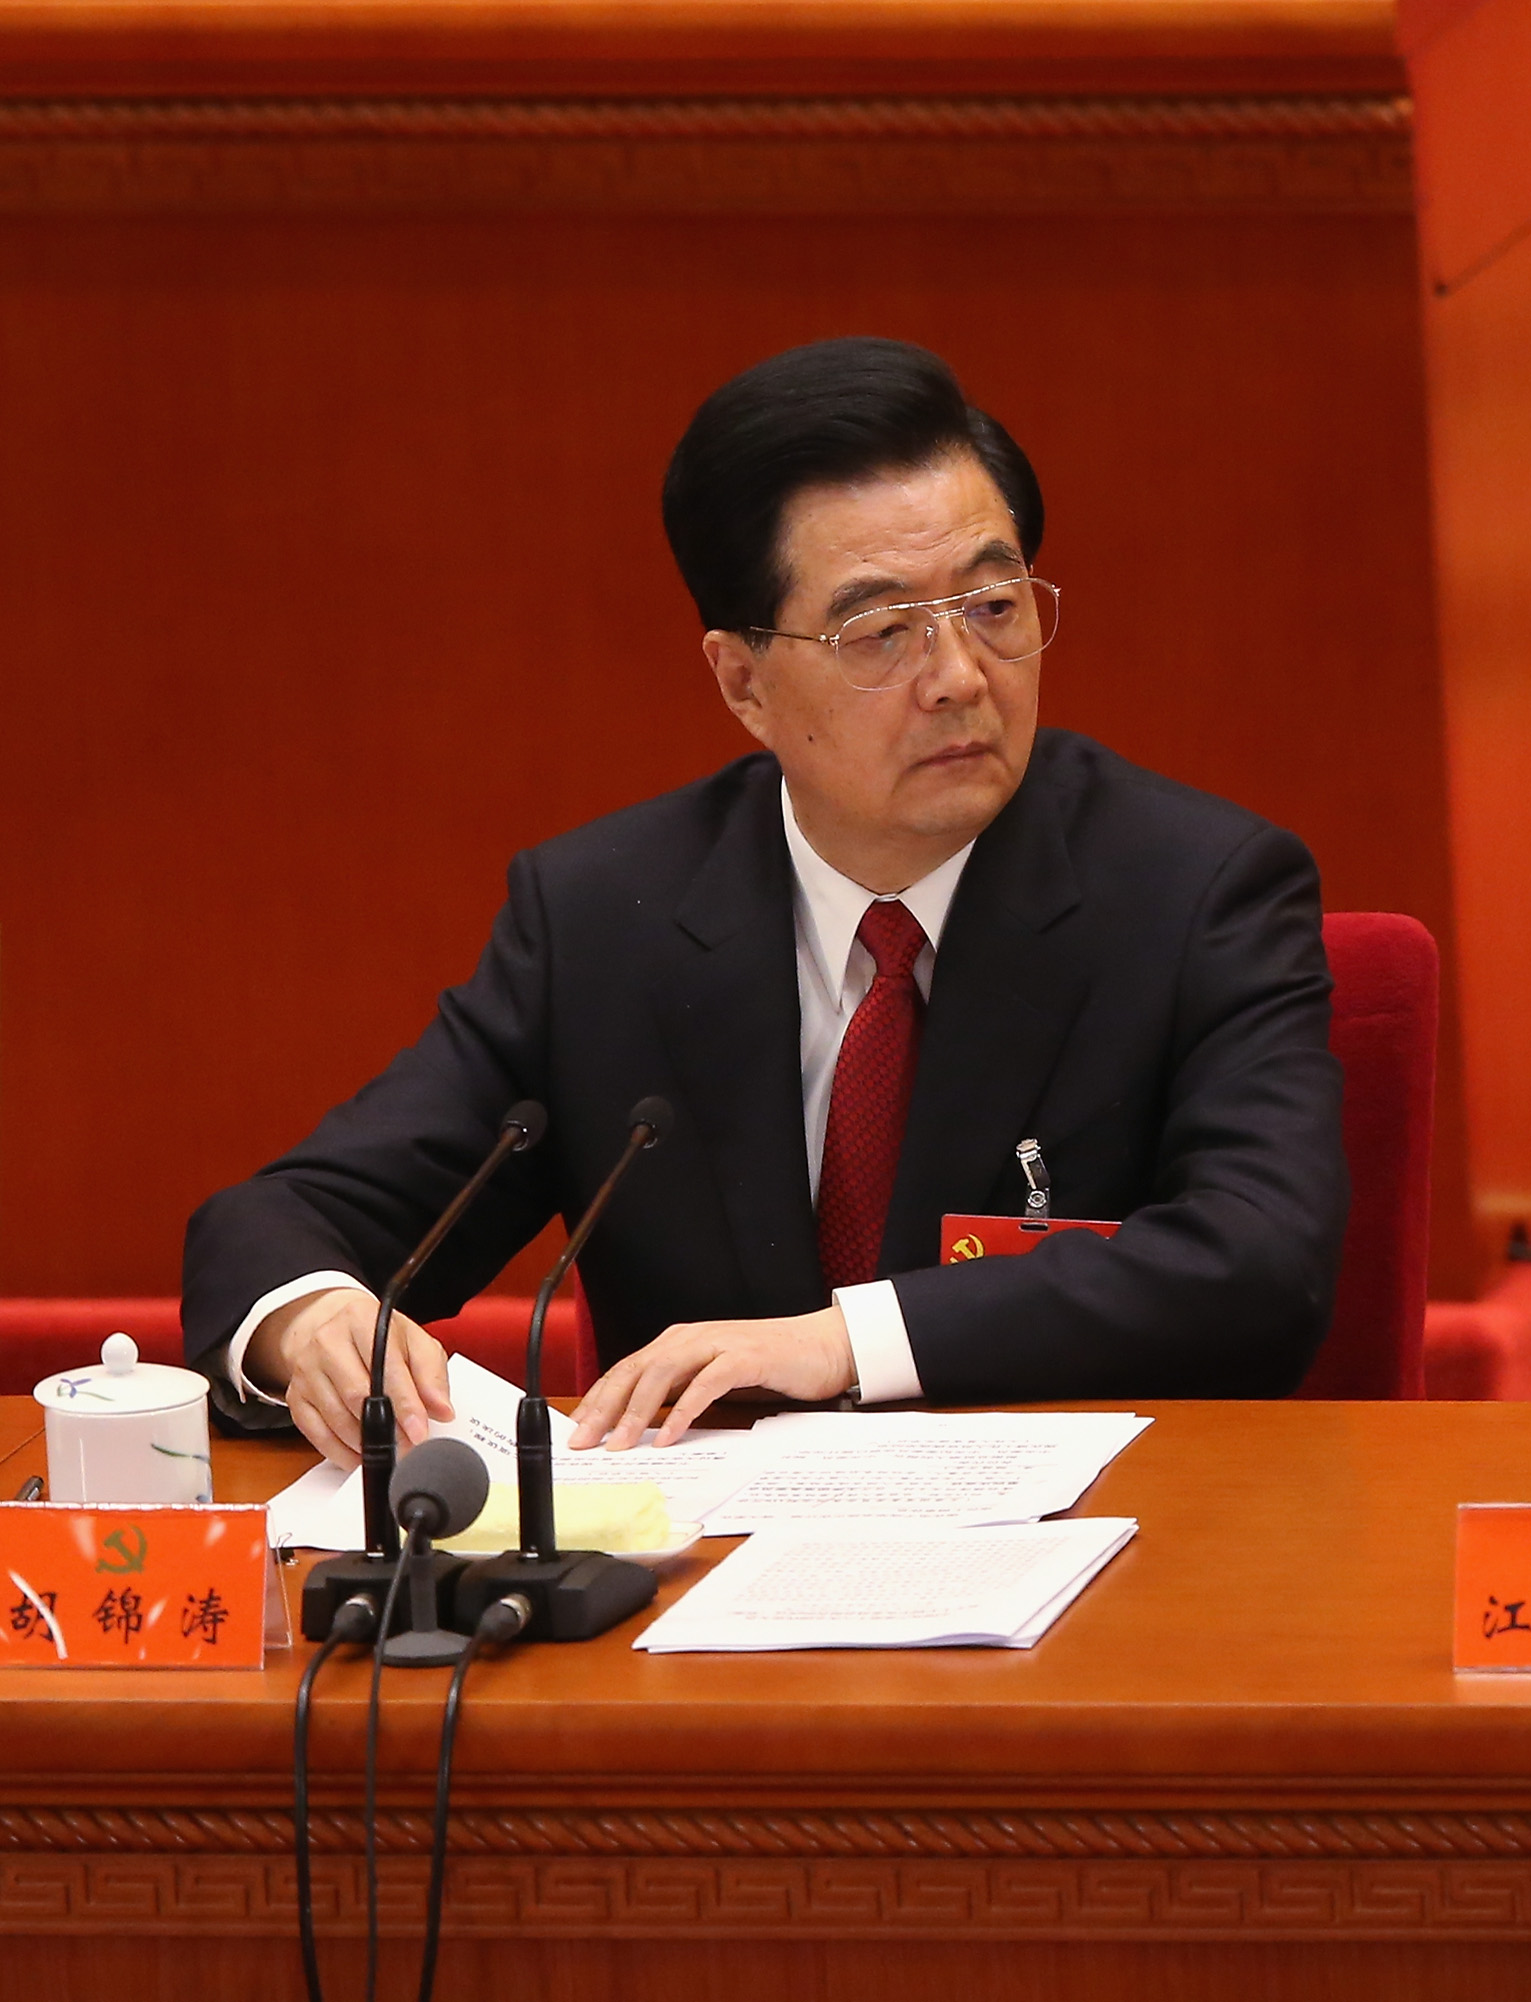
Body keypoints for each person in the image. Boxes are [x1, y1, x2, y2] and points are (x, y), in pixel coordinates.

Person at [184, 337, 1348, 1467]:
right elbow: (283, 1219)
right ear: (742, 681)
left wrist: (845, 1341)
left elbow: (1260, 1262)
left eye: (994, 606)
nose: (958, 677)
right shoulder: (602, 920)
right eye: (881, 632)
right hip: (701, 1570)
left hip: (1093, 1553)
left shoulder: (1196, 891)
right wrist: (309, 1317)